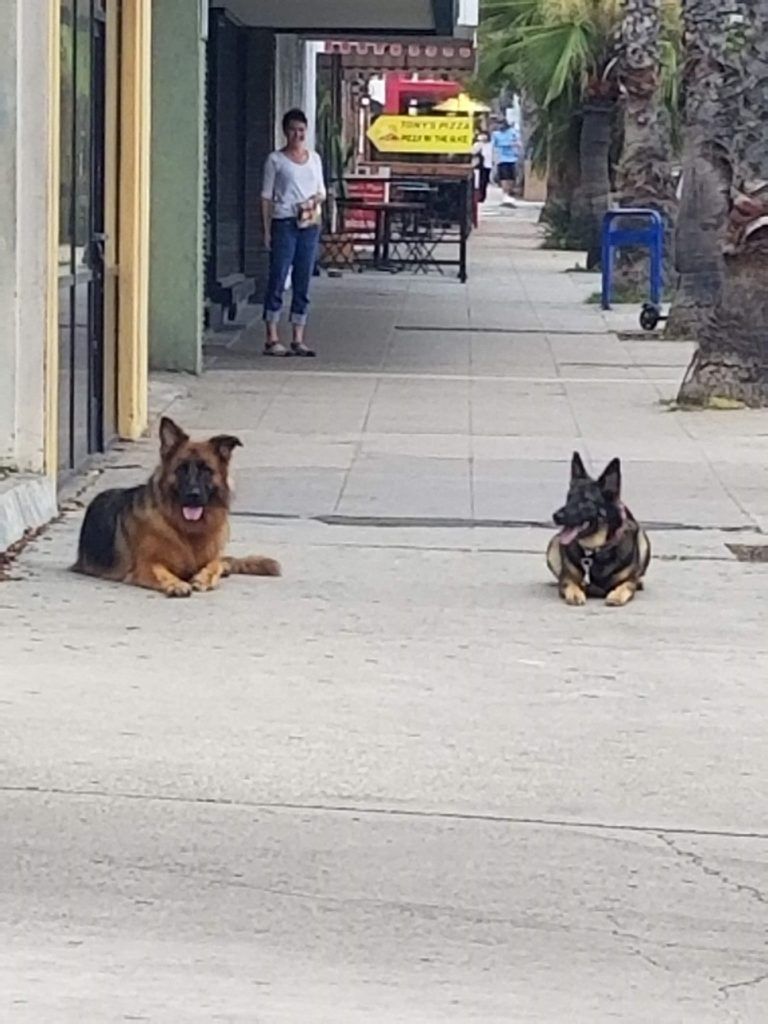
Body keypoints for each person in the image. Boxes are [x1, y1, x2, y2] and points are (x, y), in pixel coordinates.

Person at [261, 108, 326, 357]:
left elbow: (321, 191)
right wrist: (266, 229)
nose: (298, 135)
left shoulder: (315, 159)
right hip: (285, 222)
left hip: (308, 223)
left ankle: (298, 336)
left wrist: (312, 202)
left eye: (301, 130)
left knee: (303, 279)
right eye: (293, 130)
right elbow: (266, 196)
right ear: (285, 132)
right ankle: (272, 335)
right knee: (278, 276)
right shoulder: (275, 160)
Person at [491, 120, 521, 207]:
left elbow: (518, 142)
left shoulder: (513, 132)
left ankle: (510, 192)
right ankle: (505, 194)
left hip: (513, 158)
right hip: (501, 159)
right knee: (504, 177)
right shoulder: (496, 134)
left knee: (511, 178)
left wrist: (516, 146)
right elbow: (494, 145)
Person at [472, 129, 493, 204]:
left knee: (484, 181)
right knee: (478, 181)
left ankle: (483, 196)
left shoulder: (490, 144)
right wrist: (480, 144)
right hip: (479, 165)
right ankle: (478, 196)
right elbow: (473, 151)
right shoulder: (478, 144)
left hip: (488, 165)